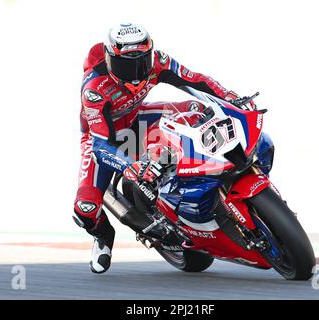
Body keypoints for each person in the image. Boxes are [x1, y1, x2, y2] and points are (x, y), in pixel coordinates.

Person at [74, 22, 261, 274]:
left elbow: (196, 81)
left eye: (142, 62)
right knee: (84, 209)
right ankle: (103, 237)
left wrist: (231, 98)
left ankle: (209, 173)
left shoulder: (158, 61)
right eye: (126, 65)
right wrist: (130, 166)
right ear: (109, 60)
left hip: (137, 118)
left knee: (198, 110)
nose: (136, 72)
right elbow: (99, 143)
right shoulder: (94, 88)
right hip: (104, 138)